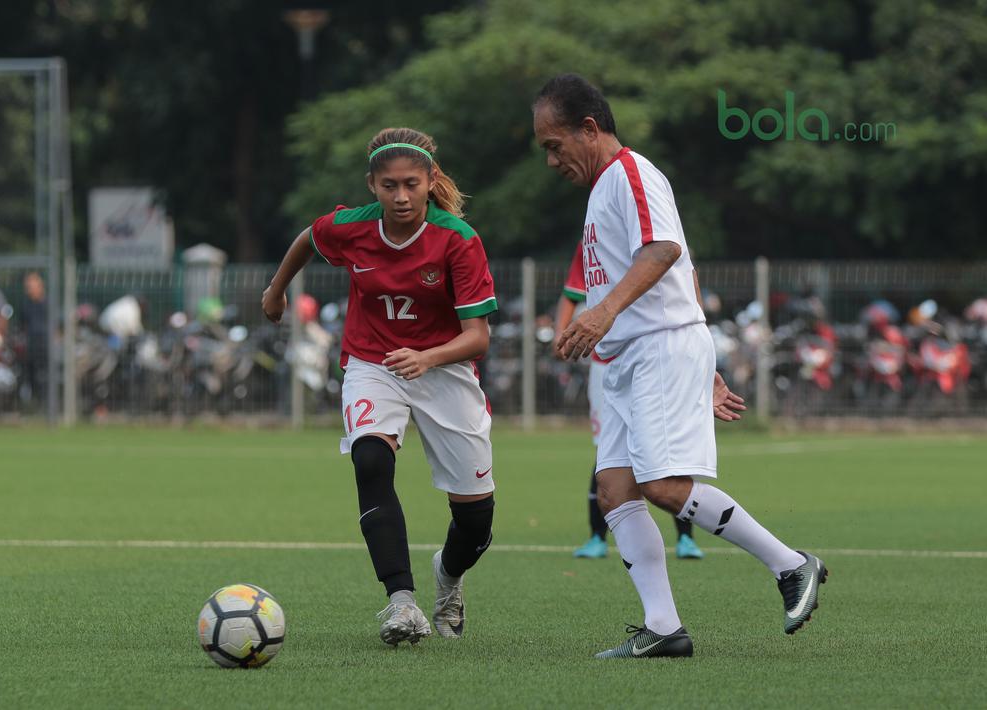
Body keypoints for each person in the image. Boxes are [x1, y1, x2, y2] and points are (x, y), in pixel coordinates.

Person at [534, 74, 827, 658]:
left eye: (554, 143)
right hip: (631, 357)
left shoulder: (631, 174)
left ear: (589, 128)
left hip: (658, 347)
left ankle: (792, 565)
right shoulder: (601, 191)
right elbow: (682, 266)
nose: (550, 159)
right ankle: (664, 628)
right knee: (615, 491)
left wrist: (603, 314)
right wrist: (706, 361)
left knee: (662, 486)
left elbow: (663, 250)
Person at [262, 127, 498, 646]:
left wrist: (428, 356)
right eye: (389, 185)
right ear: (372, 185)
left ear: (430, 180)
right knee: (370, 460)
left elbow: (477, 338)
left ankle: (448, 578)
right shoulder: (350, 227)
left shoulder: (458, 239)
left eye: (412, 184)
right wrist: (276, 290)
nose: (401, 196)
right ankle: (401, 603)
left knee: (476, 521)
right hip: (373, 362)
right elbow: (308, 237)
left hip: (445, 369)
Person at [556, 253, 703, 561]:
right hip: (605, 364)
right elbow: (571, 294)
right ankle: (598, 536)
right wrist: (561, 335)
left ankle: (686, 538)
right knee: (608, 451)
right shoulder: (591, 237)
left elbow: (686, 277)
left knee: (667, 449)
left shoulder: (654, 238)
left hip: (654, 357)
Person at [19, 272, 49, 406]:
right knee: (31, 377)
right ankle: (35, 405)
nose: (29, 290)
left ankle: (48, 405)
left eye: (32, 286)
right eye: (27, 287)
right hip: (31, 347)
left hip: (47, 347)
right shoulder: (26, 305)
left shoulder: (49, 303)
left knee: (46, 377)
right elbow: (23, 326)